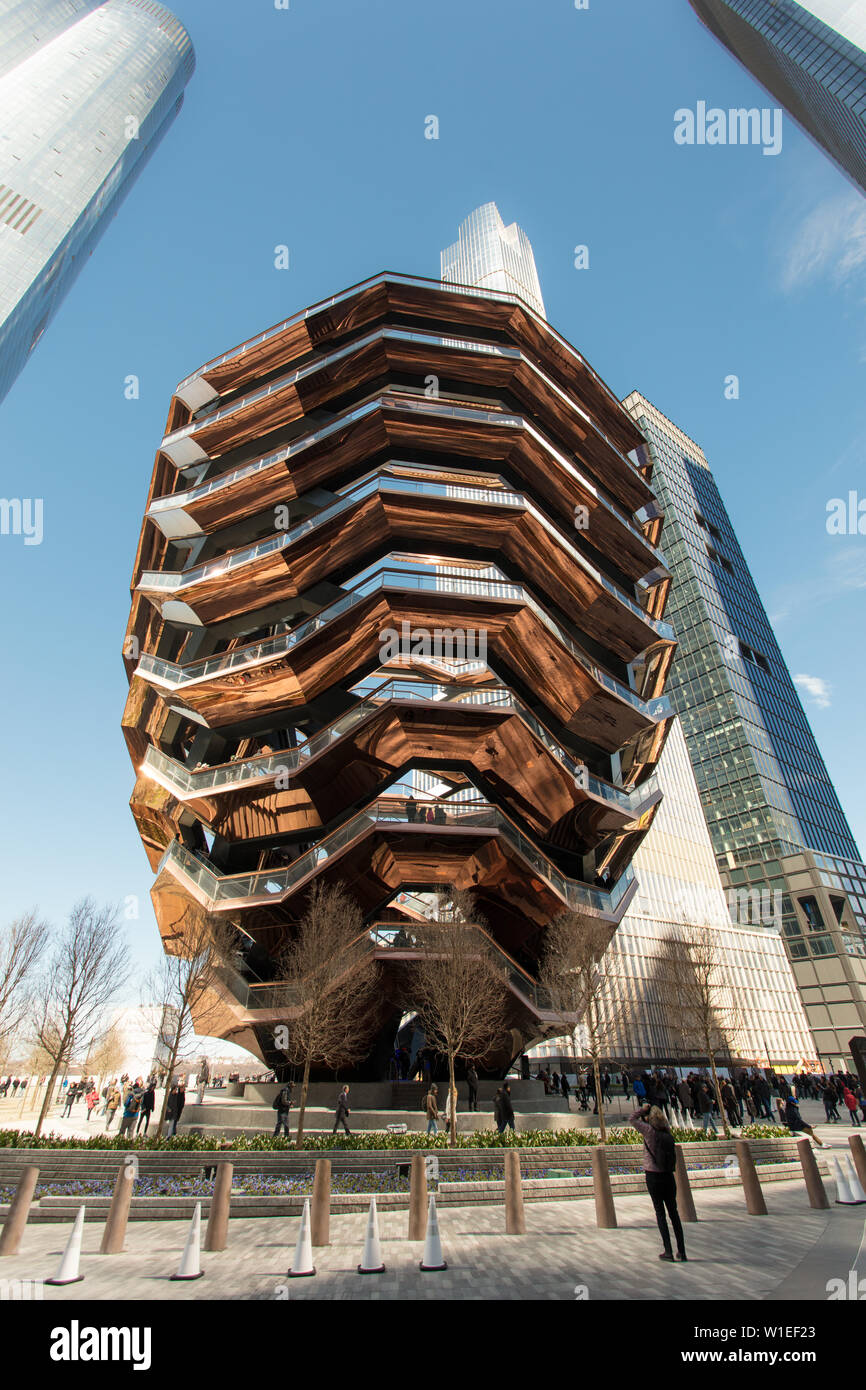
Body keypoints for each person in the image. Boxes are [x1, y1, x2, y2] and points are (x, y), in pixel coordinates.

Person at [631, 1104, 686, 1262]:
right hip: (668, 1176)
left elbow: (631, 1119)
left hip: (653, 1176)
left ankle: (668, 1250)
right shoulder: (668, 1133)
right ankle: (682, 1251)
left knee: (660, 1213)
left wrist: (642, 1110)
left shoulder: (649, 1132)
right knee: (674, 1213)